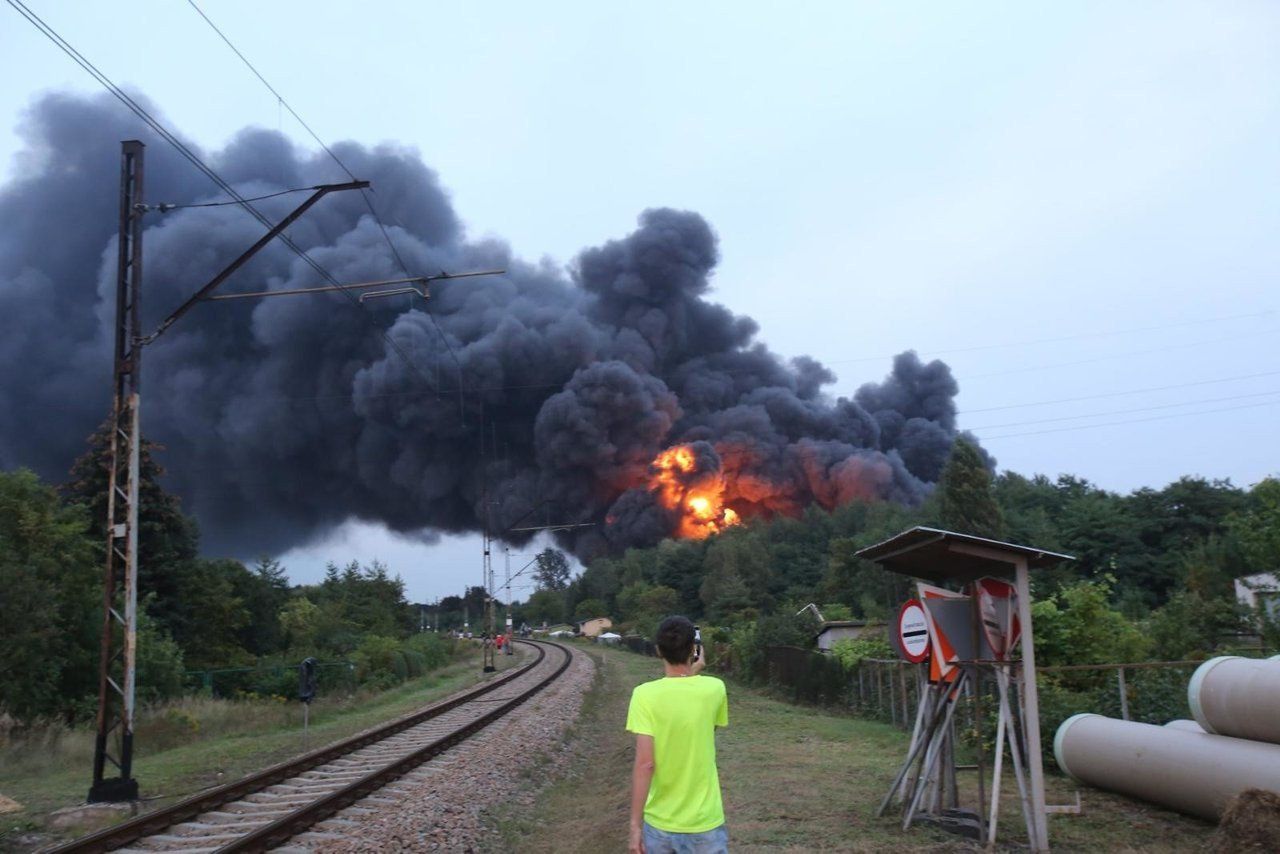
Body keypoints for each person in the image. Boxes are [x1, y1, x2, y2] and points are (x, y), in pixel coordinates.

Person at [626, 616, 729, 854]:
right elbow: (702, 727)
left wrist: (634, 826)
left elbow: (645, 764)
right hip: (705, 824)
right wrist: (695, 670)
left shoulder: (643, 695)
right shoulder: (715, 689)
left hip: (660, 824)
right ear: (694, 649)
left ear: (658, 651)